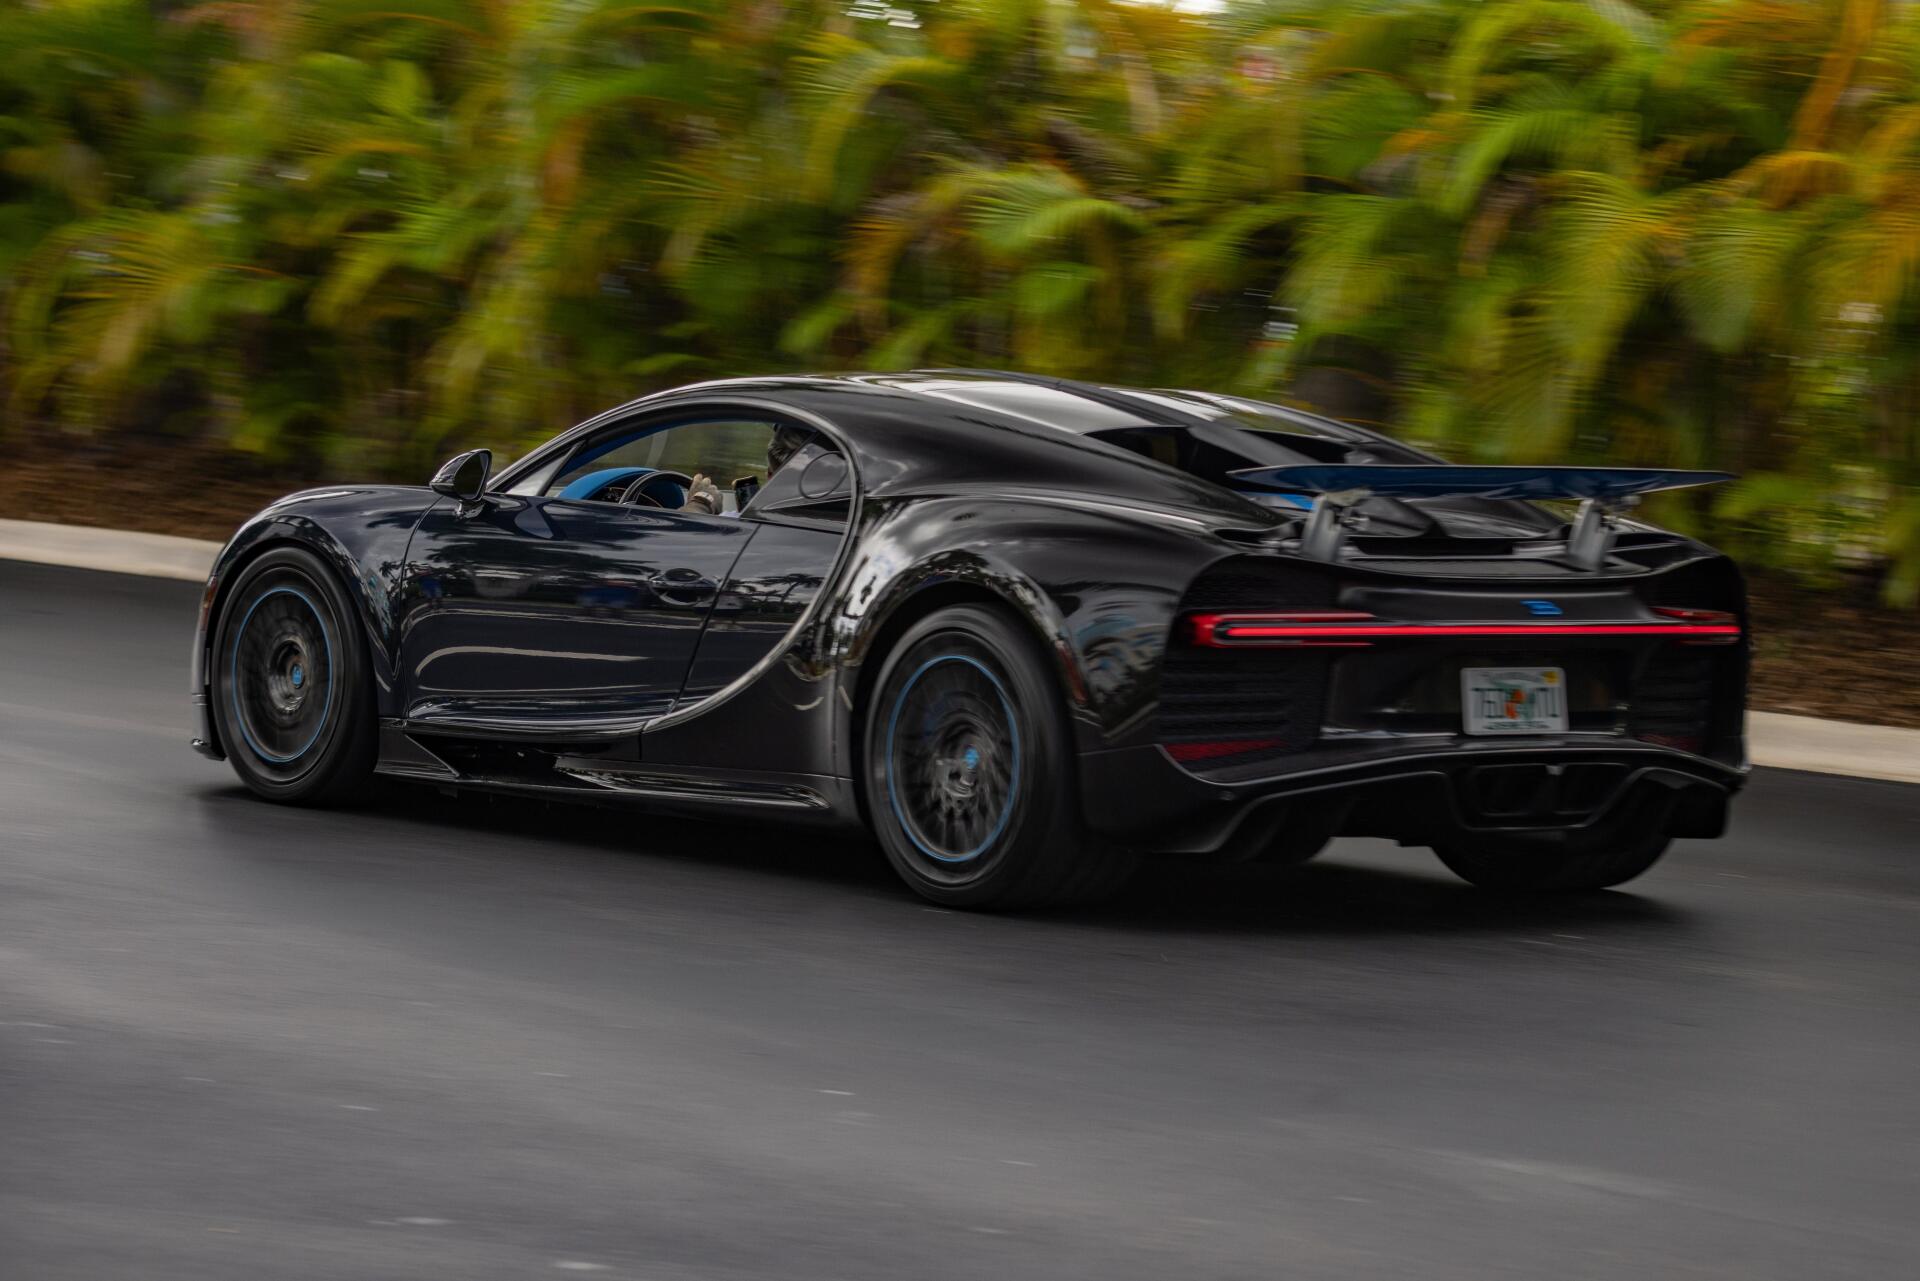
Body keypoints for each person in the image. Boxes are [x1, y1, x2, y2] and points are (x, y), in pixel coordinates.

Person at [679, 423, 817, 516]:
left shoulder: (741, 524)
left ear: (770, 477)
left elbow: (680, 533)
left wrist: (700, 502)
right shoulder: (820, 521)